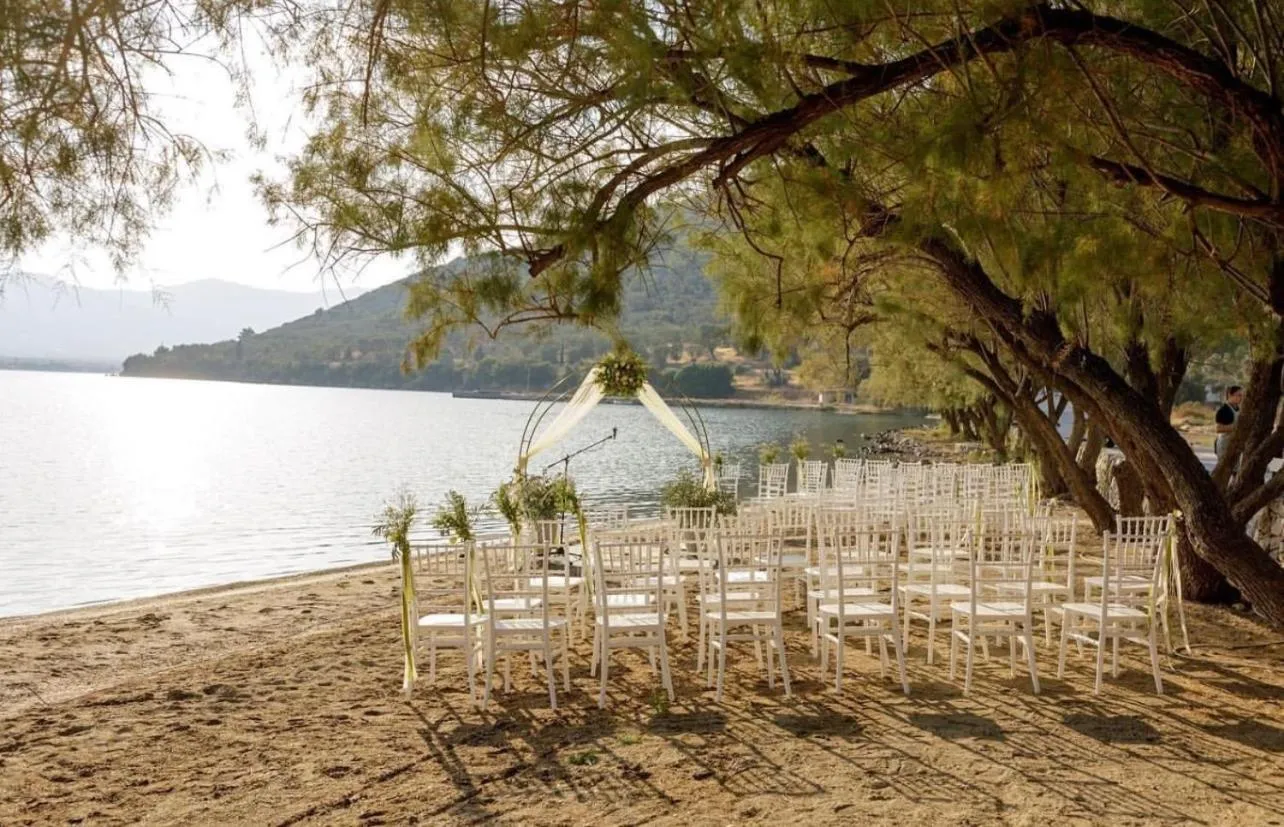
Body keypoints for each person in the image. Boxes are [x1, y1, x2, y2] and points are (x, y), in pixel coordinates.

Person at [1214, 385, 1244, 458]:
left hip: (1235, 446)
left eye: (1241, 396)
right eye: (1238, 395)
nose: (1241, 398)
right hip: (1224, 445)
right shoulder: (1224, 410)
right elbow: (1218, 429)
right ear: (1230, 395)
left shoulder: (1239, 410)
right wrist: (1237, 428)